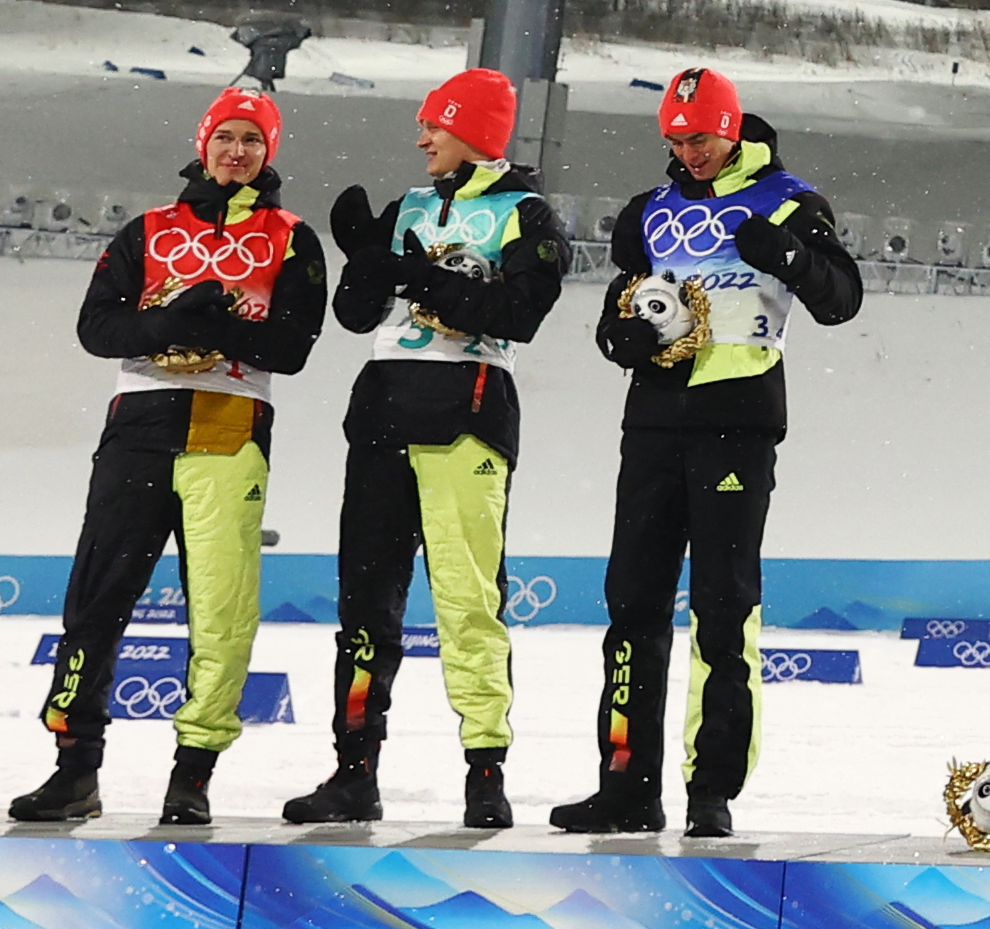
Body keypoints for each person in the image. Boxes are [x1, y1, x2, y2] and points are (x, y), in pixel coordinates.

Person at [555, 65, 864, 839]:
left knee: (724, 609)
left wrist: (786, 256)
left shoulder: (789, 200)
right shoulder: (648, 213)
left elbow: (841, 298)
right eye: (675, 139)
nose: (687, 152)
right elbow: (617, 308)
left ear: (731, 129)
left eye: (698, 137)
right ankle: (626, 784)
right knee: (632, 604)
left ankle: (709, 789)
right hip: (654, 422)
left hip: (738, 420)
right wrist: (618, 339)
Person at [13, 83, 328, 828]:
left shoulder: (292, 236)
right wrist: (165, 323)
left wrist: (225, 334)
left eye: (252, 140)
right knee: (95, 602)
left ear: (268, 152)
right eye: (226, 138)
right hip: (140, 427)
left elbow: (295, 345)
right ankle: (73, 769)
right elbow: (96, 328)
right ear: (203, 144)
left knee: (220, 614)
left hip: (230, 428)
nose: (237, 151)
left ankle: (192, 775)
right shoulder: (146, 230)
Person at [279, 66, 570, 833]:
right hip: (380, 417)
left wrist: (418, 275)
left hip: (466, 417)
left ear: (472, 130)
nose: (420, 140)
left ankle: (484, 772)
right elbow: (352, 316)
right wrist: (365, 266)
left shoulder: (527, 214)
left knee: (469, 604)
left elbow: (516, 313)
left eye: (434, 126)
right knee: (364, 608)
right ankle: (353, 772)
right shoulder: (407, 205)